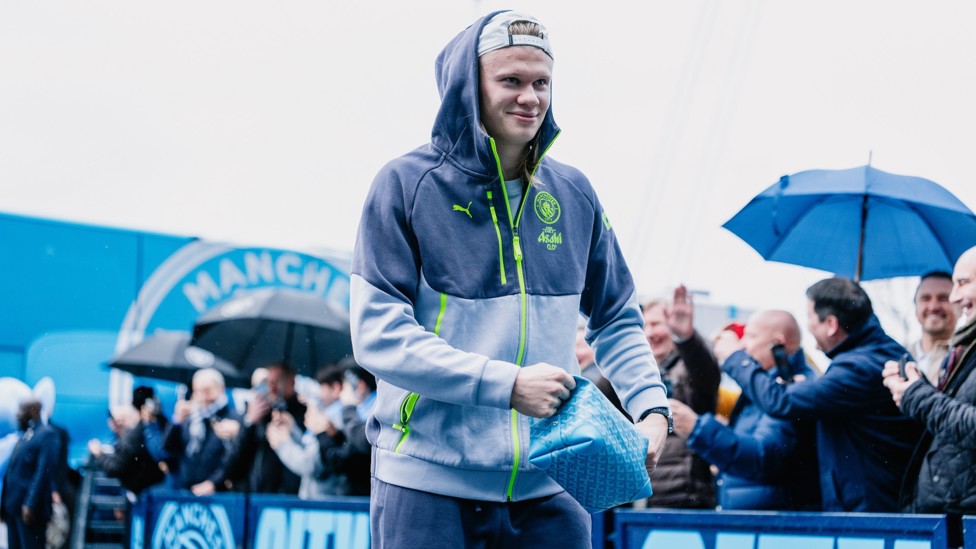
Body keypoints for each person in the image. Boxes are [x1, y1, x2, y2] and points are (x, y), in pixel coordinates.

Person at [350, 10, 670, 547]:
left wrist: (652, 409)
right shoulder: (405, 184)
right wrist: (507, 386)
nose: (530, 98)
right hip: (427, 485)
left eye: (541, 82)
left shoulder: (574, 193)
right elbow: (378, 336)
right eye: (511, 80)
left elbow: (617, 317)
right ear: (468, 86)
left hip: (554, 485)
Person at [723, 277, 921, 512]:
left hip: (870, 511)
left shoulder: (858, 368)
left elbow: (781, 402)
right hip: (880, 502)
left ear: (831, 324)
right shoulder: (881, 353)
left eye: (810, 317)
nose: (808, 327)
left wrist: (734, 358)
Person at [671, 310, 820, 510]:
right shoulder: (763, 388)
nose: (743, 345)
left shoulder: (792, 388)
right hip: (757, 517)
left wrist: (697, 429)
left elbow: (762, 457)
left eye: (751, 336)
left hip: (775, 521)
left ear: (778, 343)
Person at [883, 246, 976, 543]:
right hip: (940, 514)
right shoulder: (904, 352)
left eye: (962, 284)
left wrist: (917, 395)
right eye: (926, 298)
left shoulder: (962, 348)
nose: (952, 298)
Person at [641, 285, 721, 508]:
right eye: (645, 326)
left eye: (656, 324)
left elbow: (706, 369)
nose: (650, 333)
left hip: (685, 495)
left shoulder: (690, 366)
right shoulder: (640, 373)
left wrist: (685, 337)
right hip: (644, 495)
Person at [266, 364, 350, 499]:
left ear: (335, 388)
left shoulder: (337, 420)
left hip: (325, 502)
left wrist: (282, 443)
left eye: (321, 386)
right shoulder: (328, 415)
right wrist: (291, 428)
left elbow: (311, 466)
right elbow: (308, 448)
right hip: (318, 500)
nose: (318, 392)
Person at [227, 362, 306, 494]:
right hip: (254, 491)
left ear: (291, 383)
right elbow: (237, 458)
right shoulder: (260, 411)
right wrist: (249, 422)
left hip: (287, 493)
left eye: (277, 382)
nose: (272, 387)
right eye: (269, 382)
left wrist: (290, 428)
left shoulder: (304, 412)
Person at [163, 368, 241, 496]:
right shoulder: (189, 418)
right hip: (185, 489)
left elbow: (234, 458)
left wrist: (214, 483)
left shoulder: (233, 418)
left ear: (220, 389)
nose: (202, 397)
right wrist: (176, 421)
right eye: (197, 391)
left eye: (207, 391)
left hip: (218, 493)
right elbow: (168, 447)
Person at [1, 399, 61, 549]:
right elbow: (11, 472)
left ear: (34, 411)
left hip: (29, 510)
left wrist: (30, 504)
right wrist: (3, 507)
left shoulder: (47, 435)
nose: (18, 415)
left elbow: (43, 472)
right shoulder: (25, 436)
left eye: (22, 411)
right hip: (13, 507)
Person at [88, 405, 165, 495]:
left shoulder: (131, 438)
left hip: (147, 489)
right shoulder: (131, 435)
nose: (112, 424)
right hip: (146, 487)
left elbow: (116, 468)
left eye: (115, 421)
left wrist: (99, 455)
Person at [907, 271, 957, 385]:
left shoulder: (968, 358)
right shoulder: (899, 357)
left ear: (960, 305)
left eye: (943, 298)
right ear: (915, 305)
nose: (933, 307)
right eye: (926, 298)